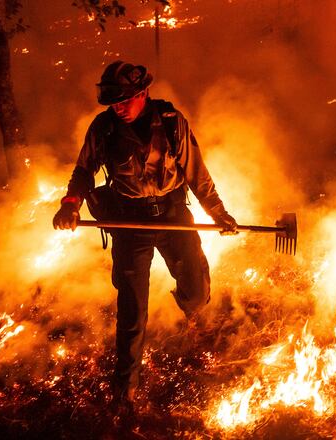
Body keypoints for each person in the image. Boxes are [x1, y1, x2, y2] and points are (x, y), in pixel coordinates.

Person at [53, 60, 237, 415]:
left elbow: (197, 173)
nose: (117, 107)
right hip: (128, 221)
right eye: (113, 101)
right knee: (132, 313)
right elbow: (83, 170)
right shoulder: (104, 128)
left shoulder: (171, 123)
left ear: (143, 93)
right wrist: (70, 204)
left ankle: (190, 310)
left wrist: (220, 214)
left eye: (123, 100)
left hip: (171, 213)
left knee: (197, 291)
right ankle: (125, 392)